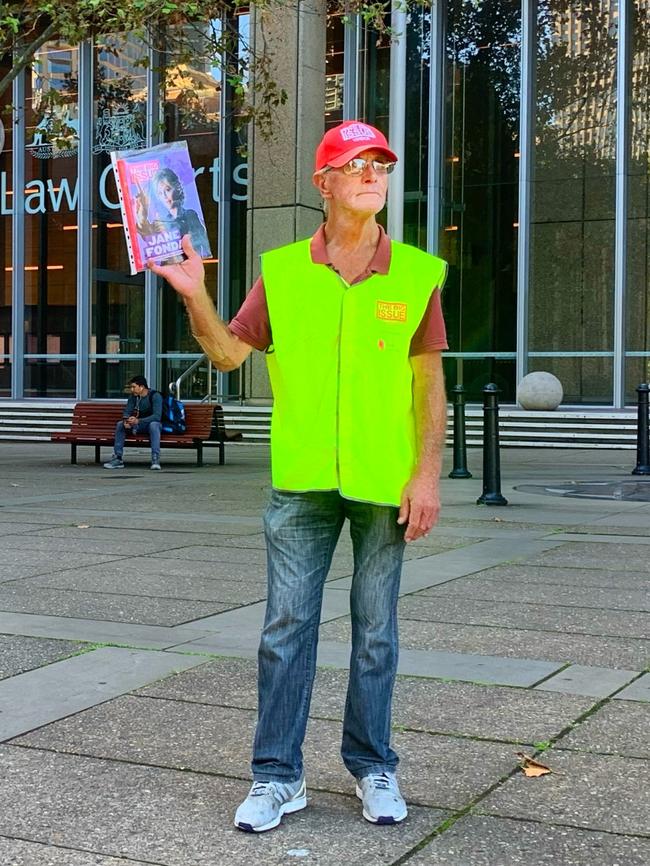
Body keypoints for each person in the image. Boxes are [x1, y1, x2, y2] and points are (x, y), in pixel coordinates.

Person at [149, 120, 448, 831]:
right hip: (301, 480)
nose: (373, 173)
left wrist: (427, 475)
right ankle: (277, 776)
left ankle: (374, 766)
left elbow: (429, 384)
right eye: (356, 163)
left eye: (381, 163)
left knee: (377, 631)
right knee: (286, 628)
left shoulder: (415, 272)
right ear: (325, 183)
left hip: (384, 483)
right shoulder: (281, 271)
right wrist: (194, 293)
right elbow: (226, 357)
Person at [135, 167, 211, 261]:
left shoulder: (190, 215)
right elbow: (146, 234)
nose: (164, 196)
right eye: (160, 193)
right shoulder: (159, 222)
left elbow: (204, 246)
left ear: (177, 188)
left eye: (167, 190)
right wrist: (142, 215)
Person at [103, 375, 163, 471]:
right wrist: (126, 420)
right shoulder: (134, 397)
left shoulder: (155, 396)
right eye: (131, 387)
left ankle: (155, 459)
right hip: (138, 425)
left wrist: (139, 420)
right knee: (120, 425)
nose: (132, 389)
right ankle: (117, 458)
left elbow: (157, 416)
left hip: (151, 424)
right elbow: (127, 411)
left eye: (134, 387)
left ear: (142, 387)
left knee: (154, 425)